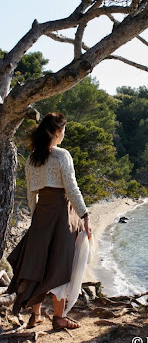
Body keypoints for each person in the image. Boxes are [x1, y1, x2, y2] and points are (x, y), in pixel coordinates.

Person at [7, 112, 92, 330]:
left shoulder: (33, 158)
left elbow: (30, 194)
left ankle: (35, 316)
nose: (64, 134)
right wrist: (85, 214)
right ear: (56, 132)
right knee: (61, 264)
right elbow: (72, 189)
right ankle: (58, 317)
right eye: (63, 130)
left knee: (39, 265)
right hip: (62, 214)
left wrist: (38, 216)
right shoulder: (62, 155)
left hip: (42, 215)